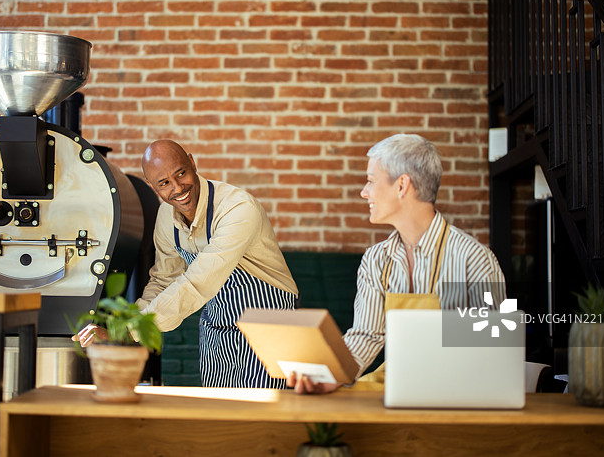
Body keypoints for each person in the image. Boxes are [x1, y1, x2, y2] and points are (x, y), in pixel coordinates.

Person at [288, 133, 506, 394]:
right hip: (394, 385)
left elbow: (493, 347)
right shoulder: (376, 259)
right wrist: (327, 374)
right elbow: (366, 336)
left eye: (371, 181)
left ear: (402, 185)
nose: (364, 192)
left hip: (455, 392)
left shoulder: (474, 259)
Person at [75, 139, 298, 388]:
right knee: (218, 407)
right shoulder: (165, 217)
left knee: (263, 408)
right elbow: (163, 281)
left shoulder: (237, 208)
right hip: (217, 330)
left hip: (268, 325)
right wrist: (122, 326)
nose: (178, 188)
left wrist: (129, 331)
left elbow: (199, 282)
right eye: (164, 183)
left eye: (181, 173)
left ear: (192, 162)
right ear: (152, 186)